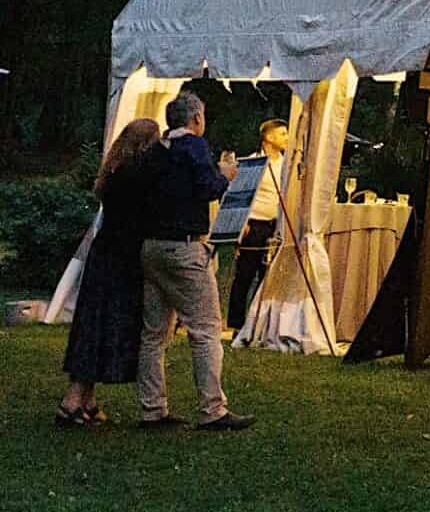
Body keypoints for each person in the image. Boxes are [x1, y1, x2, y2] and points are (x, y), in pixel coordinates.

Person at [136, 92, 253, 431]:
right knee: (205, 328)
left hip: (152, 246)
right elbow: (206, 187)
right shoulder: (195, 147)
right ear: (196, 119)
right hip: (184, 246)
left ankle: (152, 408)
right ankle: (212, 409)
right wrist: (226, 176)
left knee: (153, 332)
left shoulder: (155, 150)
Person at [58, 118, 162, 427]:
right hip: (120, 258)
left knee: (94, 322)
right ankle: (73, 399)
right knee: (102, 325)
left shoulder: (115, 170)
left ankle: (84, 397)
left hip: (105, 254)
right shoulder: (135, 175)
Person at [225, 119, 291, 334]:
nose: (286, 138)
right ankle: (236, 324)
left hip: (275, 224)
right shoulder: (253, 163)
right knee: (245, 274)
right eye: (282, 134)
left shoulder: (287, 164)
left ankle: (258, 323)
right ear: (268, 137)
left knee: (267, 275)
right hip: (254, 224)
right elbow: (241, 195)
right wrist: (241, 223)